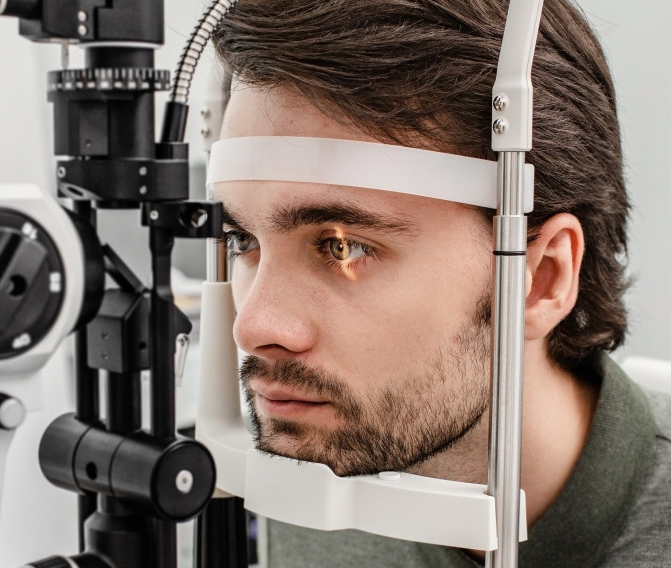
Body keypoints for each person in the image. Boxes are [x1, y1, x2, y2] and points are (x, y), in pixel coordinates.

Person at [208, 0, 671, 566]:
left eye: (342, 248)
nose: (253, 326)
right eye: (242, 241)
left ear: (541, 278)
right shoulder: (315, 473)